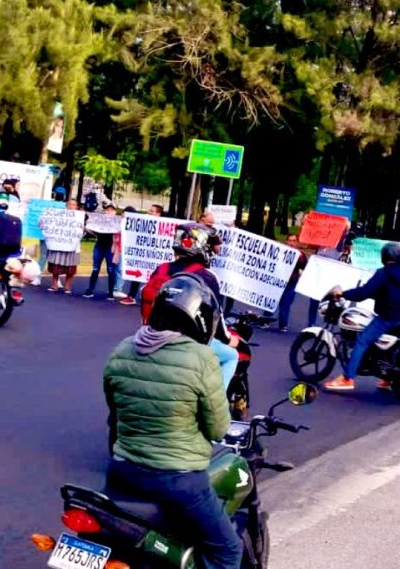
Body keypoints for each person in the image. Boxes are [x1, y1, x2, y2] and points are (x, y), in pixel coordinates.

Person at [103, 275, 242, 569]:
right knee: (228, 550)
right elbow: (218, 427)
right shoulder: (202, 358)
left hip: (121, 472)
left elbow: (114, 413)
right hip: (177, 481)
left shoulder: (123, 348)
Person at [141, 223, 240, 390]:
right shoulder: (206, 276)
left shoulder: (161, 269)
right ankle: (218, 408)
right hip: (186, 342)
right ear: (202, 246)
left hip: (150, 335)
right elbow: (216, 318)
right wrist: (229, 339)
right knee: (231, 355)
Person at [324, 243, 400, 391]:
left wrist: (343, 293)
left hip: (387, 317)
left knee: (362, 340)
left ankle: (347, 378)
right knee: (387, 345)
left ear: (385, 256)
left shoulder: (384, 273)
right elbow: (385, 292)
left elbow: (363, 293)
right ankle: (388, 379)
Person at [119, 204, 165, 306]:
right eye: (150, 210)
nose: (149, 212)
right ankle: (131, 296)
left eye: (152, 211)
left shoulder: (163, 224)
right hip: (142, 255)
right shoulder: (143, 220)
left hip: (155, 255)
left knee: (156, 277)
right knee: (137, 275)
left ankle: (155, 298)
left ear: (158, 214)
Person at [45, 199, 82, 293]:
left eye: (73, 204)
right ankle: (54, 285)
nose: (71, 206)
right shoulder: (58, 215)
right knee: (55, 265)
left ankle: (67, 287)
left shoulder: (80, 217)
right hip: (58, 244)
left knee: (71, 267)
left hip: (72, 245)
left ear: (76, 206)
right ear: (66, 205)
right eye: (69, 204)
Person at [83, 203, 118, 301]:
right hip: (99, 246)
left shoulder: (117, 222)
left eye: (112, 210)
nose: (109, 212)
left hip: (110, 247)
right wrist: (88, 229)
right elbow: (93, 231)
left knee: (111, 270)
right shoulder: (99, 221)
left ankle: (110, 292)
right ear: (104, 211)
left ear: (115, 212)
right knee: (95, 268)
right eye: (107, 210)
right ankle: (90, 289)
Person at [275, 234, 308, 332]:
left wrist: (301, 257)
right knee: (272, 300)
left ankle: (283, 323)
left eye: (294, 241)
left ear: (297, 243)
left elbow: (304, 267)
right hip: (278, 281)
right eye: (289, 240)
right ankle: (265, 319)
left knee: (286, 303)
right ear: (286, 241)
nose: (291, 243)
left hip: (291, 282)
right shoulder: (280, 251)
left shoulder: (301, 254)